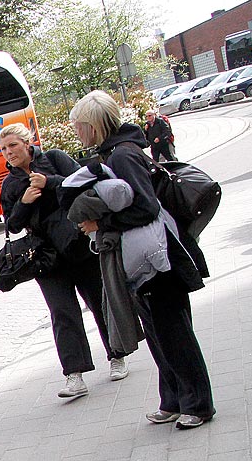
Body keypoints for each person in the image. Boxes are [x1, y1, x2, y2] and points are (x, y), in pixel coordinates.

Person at [69, 90, 214, 429]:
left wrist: (100, 224)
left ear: (93, 126)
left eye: (79, 126)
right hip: (151, 257)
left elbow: (144, 207)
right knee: (161, 332)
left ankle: (198, 404)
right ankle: (175, 400)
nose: (76, 131)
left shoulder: (122, 156)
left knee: (173, 333)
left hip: (158, 259)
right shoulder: (121, 152)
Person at [0, 122, 130, 399]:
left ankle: (117, 355)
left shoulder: (54, 159)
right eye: (4, 149)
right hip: (45, 256)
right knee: (62, 312)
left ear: (27, 143)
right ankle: (74, 374)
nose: (8, 153)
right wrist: (24, 202)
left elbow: (86, 185)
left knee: (99, 301)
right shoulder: (9, 184)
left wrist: (50, 183)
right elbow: (12, 225)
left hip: (78, 245)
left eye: (13, 146)